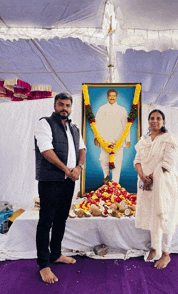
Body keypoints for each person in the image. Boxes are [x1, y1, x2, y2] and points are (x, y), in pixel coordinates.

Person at [35, 92, 86, 283]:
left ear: (71, 108)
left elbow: (82, 148)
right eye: (60, 104)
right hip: (50, 181)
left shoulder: (74, 128)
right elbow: (46, 150)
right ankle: (44, 265)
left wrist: (79, 168)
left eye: (67, 105)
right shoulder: (45, 123)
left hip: (68, 181)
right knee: (46, 221)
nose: (64, 108)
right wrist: (67, 169)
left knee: (61, 219)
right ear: (55, 105)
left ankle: (56, 254)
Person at [134, 109, 178, 269]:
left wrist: (151, 178)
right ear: (148, 121)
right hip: (145, 183)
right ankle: (155, 248)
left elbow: (168, 162)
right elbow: (137, 160)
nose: (155, 121)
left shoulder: (170, 139)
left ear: (163, 121)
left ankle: (166, 254)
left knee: (164, 214)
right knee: (150, 214)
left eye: (158, 118)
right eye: (152, 118)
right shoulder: (144, 140)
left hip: (164, 183)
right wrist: (142, 175)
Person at [94, 89, 130, 183]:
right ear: (107, 96)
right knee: (103, 159)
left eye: (114, 96)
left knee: (117, 162)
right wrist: (96, 137)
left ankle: (115, 183)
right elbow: (97, 123)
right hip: (105, 139)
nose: (112, 97)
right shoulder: (102, 109)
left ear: (116, 97)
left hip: (118, 140)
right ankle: (106, 176)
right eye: (110, 95)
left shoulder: (122, 109)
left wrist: (128, 140)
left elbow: (126, 125)